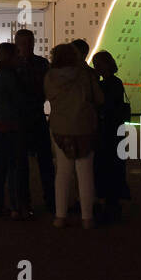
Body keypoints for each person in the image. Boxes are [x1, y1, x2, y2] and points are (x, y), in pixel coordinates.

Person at [45, 43, 99, 230]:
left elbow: (47, 96)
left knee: (62, 173)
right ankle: (87, 218)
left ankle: (60, 217)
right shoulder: (85, 75)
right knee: (85, 173)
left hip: (60, 127)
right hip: (84, 127)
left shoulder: (50, 77)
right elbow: (99, 98)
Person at [15, 28, 55, 213]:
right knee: (23, 163)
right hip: (23, 118)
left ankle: (50, 198)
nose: (28, 46)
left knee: (44, 160)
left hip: (33, 116)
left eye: (30, 42)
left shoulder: (38, 63)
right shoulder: (23, 65)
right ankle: (26, 200)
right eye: (24, 43)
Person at [0, 43, 28, 218]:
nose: (19, 57)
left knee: (1, 166)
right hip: (10, 122)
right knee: (13, 165)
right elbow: (18, 99)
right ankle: (14, 206)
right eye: (16, 54)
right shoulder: (10, 76)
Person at [91, 50, 130, 224]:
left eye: (98, 64)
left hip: (108, 131)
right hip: (115, 130)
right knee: (113, 166)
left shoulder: (105, 85)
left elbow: (104, 105)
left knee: (107, 165)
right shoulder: (116, 82)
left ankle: (109, 202)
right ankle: (112, 202)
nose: (96, 67)